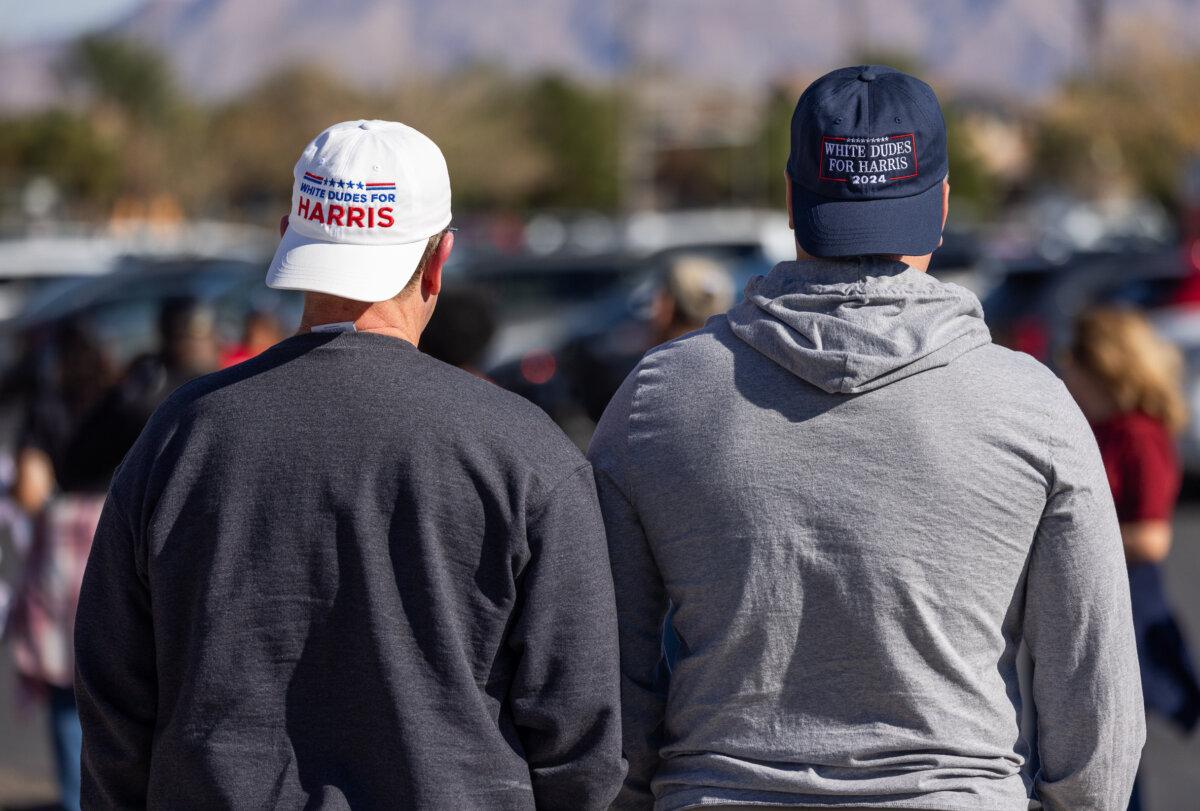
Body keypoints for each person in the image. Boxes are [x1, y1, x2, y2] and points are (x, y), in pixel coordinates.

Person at [588, 65, 1144, 811]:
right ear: (941, 207)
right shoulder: (1032, 407)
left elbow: (603, 680)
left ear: (793, 201)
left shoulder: (658, 399)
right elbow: (1098, 703)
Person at [74, 119, 625, 809]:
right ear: (438, 260)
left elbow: (112, 705)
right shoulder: (525, 453)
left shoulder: (180, 436)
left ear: (288, 237)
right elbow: (582, 741)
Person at [1063, 307, 1200, 810]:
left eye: (1074, 361)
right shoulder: (1098, 429)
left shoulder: (1140, 434)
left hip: (1131, 605)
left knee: (1115, 746)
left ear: (1105, 366)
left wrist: (1072, 539)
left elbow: (1153, 537)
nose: (1066, 372)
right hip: (1099, 597)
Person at [6, 321, 116, 811]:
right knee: (115, 694)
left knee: (63, 691)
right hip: (111, 539)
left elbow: (30, 489)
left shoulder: (46, 407)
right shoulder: (123, 405)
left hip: (58, 552)